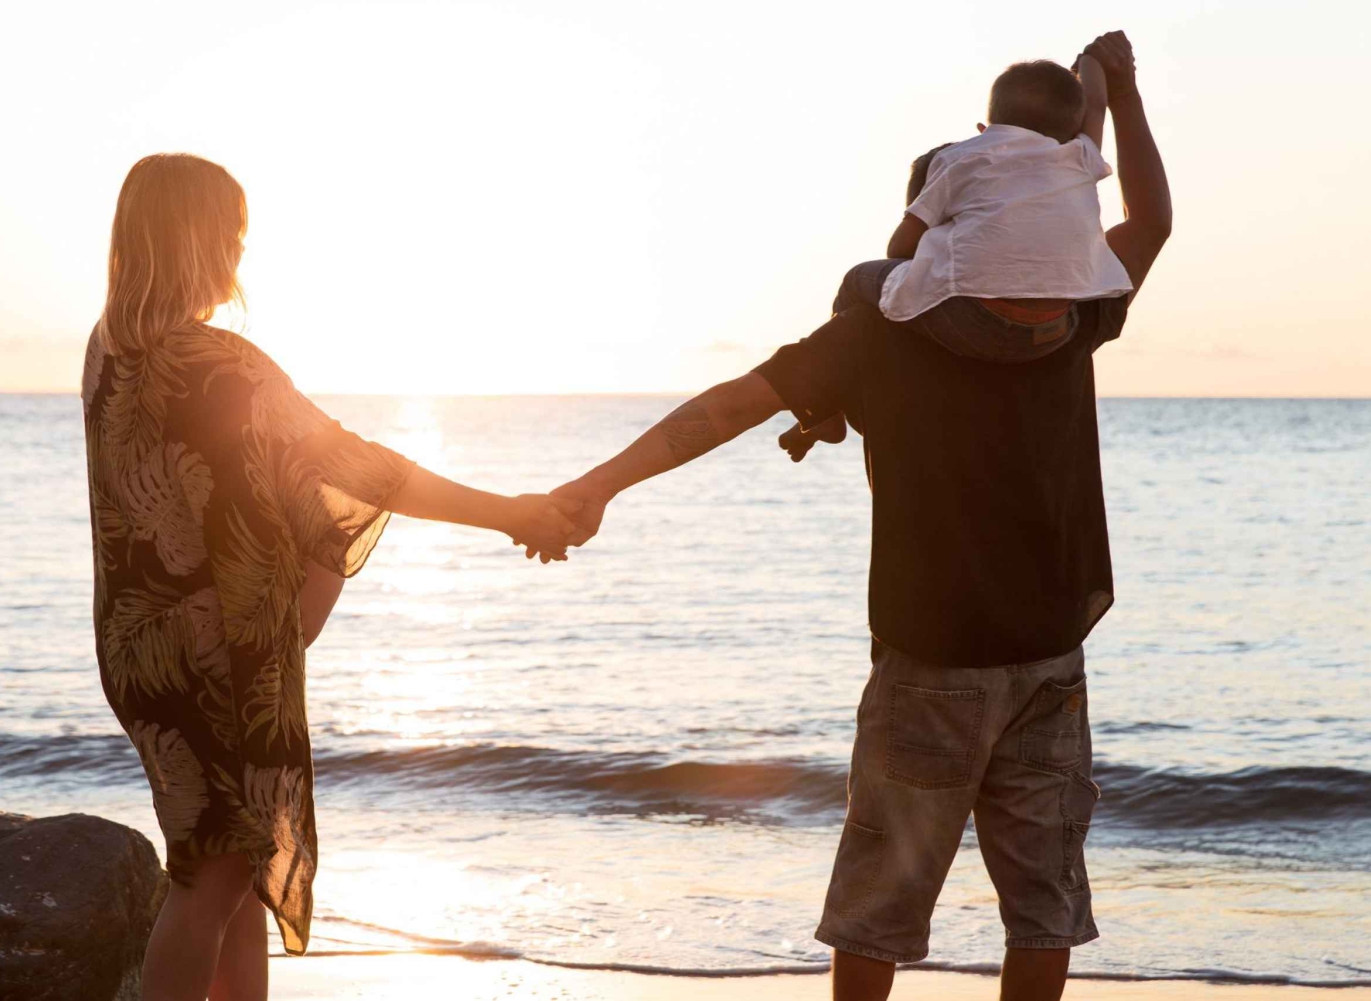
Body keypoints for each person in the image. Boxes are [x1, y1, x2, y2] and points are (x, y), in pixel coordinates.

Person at [543, 30, 1169, 1001]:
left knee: (879, 908)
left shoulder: (881, 323)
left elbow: (723, 408)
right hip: (1051, 653)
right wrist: (1116, 95)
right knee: (1042, 904)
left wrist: (597, 484)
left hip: (930, 660)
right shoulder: (1072, 316)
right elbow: (1150, 220)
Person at [81, 153, 580, 1001]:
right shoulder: (223, 364)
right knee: (211, 879)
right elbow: (366, 470)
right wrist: (511, 511)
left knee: (234, 872)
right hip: (219, 656)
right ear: (198, 240)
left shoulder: (107, 353)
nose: (238, 256)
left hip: (140, 648)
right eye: (231, 235)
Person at [780, 50, 1125, 464]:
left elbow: (900, 248)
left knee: (857, 279)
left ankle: (827, 410)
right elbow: (1098, 103)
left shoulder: (961, 157)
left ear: (986, 127)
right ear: (1072, 132)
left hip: (973, 323)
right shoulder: (1081, 156)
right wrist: (1092, 58)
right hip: (1056, 330)